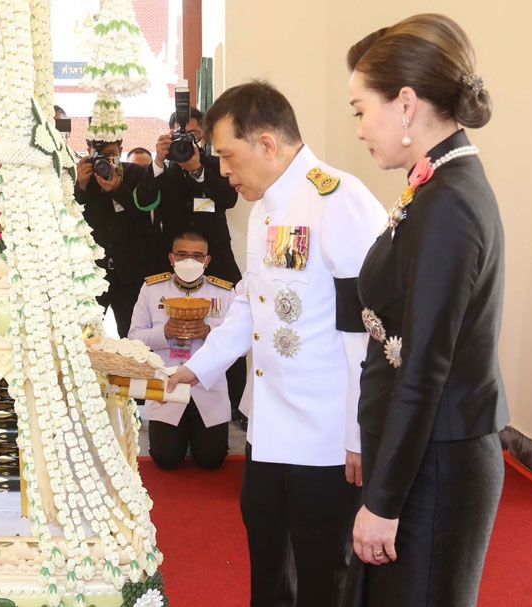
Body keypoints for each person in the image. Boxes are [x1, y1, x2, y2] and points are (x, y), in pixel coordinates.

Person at [166, 80, 387, 607]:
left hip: (325, 434)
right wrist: (196, 369)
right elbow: (250, 303)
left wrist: (359, 433)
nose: (223, 171)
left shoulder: (339, 201)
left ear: (267, 144)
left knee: (321, 570)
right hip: (268, 423)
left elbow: (366, 336)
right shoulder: (264, 207)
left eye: (228, 156)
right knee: (267, 557)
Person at [343, 14, 509, 607]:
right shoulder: (438, 184)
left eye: (362, 109)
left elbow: (424, 368)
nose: (359, 127)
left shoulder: (449, 203)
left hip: (435, 467)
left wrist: (384, 501)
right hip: (419, 454)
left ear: (406, 103)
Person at [139, 107, 249, 427]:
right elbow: (143, 202)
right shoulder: (163, 171)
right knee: (171, 326)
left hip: (216, 261)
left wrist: (199, 168)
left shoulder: (216, 165)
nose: (186, 143)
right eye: (180, 137)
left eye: (194, 136)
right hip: (174, 263)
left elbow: (229, 200)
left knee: (233, 327)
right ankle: (168, 397)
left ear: (204, 137)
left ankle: (236, 404)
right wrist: (159, 162)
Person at [129, 232, 235, 470]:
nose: (190, 261)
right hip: (167, 385)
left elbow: (238, 345)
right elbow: (134, 337)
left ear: (207, 261)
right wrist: (165, 332)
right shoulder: (152, 289)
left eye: (197, 256)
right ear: (171, 258)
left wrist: (208, 332)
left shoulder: (224, 293)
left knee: (211, 460)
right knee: (166, 459)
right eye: (183, 254)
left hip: (207, 386)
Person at [75, 136, 160, 337]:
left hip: (130, 274)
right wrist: (81, 186)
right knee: (87, 337)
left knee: (132, 337)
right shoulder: (80, 178)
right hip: (93, 275)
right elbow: (72, 217)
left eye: (111, 154)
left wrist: (118, 190)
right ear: (89, 151)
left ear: (121, 150)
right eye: (100, 155)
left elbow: (145, 215)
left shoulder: (136, 173)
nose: (106, 160)